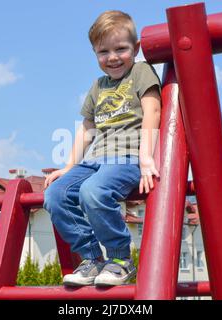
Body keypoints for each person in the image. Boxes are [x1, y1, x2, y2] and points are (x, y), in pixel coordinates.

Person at [43, 10, 161, 286]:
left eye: (121, 49)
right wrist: (69, 167)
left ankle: (120, 258)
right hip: (95, 160)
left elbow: (153, 110)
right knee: (55, 194)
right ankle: (92, 258)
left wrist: (146, 159)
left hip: (128, 156)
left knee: (92, 191)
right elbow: (87, 128)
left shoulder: (141, 72)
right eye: (103, 52)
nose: (112, 58)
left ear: (136, 48)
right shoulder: (98, 86)